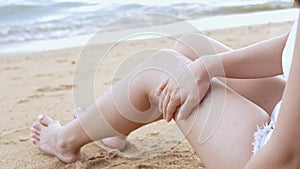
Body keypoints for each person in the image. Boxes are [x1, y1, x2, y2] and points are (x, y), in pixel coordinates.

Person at [30, 2, 300, 169]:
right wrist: (208, 66)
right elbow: (288, 47)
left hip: (278, 156)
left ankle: (64, 141)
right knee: (192, 47)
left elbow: (286, 156)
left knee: (160, 68)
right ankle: (114, 130)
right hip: (290, 116)